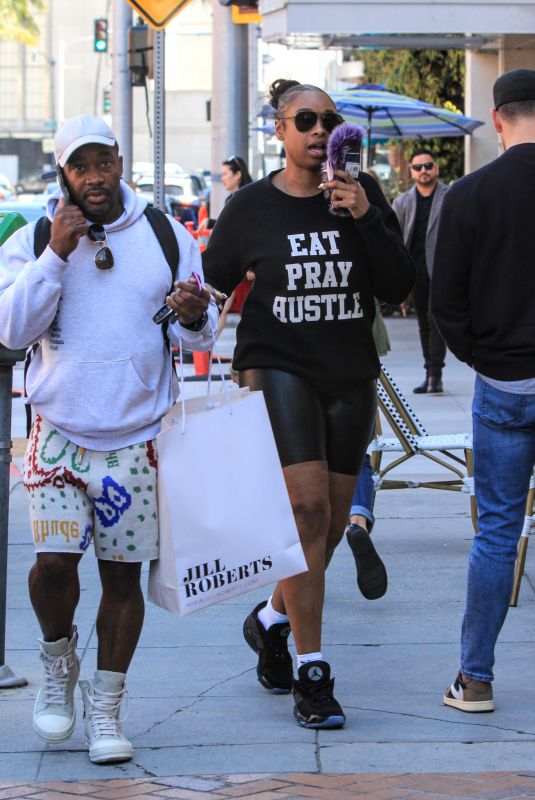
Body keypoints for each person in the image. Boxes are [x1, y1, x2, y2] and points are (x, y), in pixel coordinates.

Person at [0, 115, 216, 763]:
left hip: (137, 439)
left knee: (122, 581)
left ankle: (107, 707)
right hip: (57, 434)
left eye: (103, 163)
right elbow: (11, 334)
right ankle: (58, 662)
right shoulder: (37, 236)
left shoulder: (163, 232)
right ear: (63, 174)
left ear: (120, 162)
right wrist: (53, 257)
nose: (93, 177)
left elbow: (199, 336)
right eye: (79, 166)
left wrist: (197, 314)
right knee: (53, 566)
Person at [203, 78, 414, 729]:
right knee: (306, 509)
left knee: (319, 531)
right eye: (304, 119)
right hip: (277, 366)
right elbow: (213, 284)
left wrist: (366, 217)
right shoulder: (250, 207)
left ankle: (269, 620)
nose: (318, 129)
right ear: (279, 129)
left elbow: (398, 286)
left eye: (328, 119)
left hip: (348, 372)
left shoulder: (360, 196)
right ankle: (312, 669)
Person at [431, 68, 535, 714]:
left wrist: (484, 357)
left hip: (500, 381)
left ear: (497, 120)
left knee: (496, 532)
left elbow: (444, 302)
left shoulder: (467, 195)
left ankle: (474, 679)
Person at [392, 150, 449, 394]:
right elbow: (394, 239)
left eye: (428, 165)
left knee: (435, 320)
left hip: (443, 269)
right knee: (423, 324)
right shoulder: (403, 202)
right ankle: (430, 373)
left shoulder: (451, 196)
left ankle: (435, 374)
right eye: (418, 167)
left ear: (436, 168)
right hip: (415, 270)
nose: (423, 170)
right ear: (411, 172)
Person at [345, 300, 390, 600]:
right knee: (354, 455)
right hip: (357, 349)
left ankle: (308, 549)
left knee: (302, 463)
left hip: (297, 359)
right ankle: (358, 520)